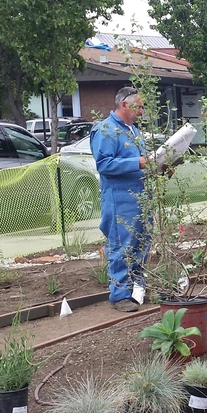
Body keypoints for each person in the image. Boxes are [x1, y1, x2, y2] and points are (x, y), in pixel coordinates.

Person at [91, 86, 150, 312]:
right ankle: (119, 294)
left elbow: (143, 163)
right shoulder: (106, 131)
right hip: (120, 198)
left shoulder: (133, 130)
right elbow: (104, 164)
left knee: (140, 243)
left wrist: (160, 166)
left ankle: (137, 288)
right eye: (140, 106)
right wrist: (138, 163)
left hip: (140, 197)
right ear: (125, 104)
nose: (142, 111)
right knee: (121, 244)